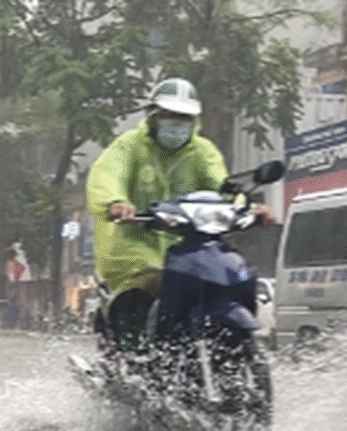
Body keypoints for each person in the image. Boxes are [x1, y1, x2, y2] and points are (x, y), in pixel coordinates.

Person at [86, 77, 273, 351]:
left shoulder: (202, 151)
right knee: (149, 282)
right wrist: (116, 202)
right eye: (170, 116)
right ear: (153, 116)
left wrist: (247, 208)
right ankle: (133, 352)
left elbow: (222, 187)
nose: (177, 123)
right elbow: (107, 175)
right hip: (133, 241)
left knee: (229, 275)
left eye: (184, 117)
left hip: (189, 243)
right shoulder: (129, 146)